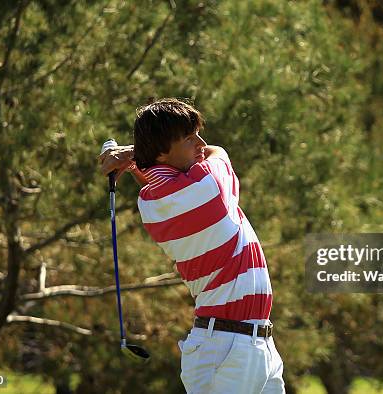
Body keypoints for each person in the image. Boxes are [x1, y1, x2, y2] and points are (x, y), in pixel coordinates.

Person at [98, 98, 285, 393]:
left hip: (249, 344)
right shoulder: (206, 184)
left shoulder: (150, 201)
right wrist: (134, 155)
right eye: (189, 138)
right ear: (161, 151)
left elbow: (161, 174)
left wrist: (136, 157)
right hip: (228, 349)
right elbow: (217, 151)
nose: (200, 143)